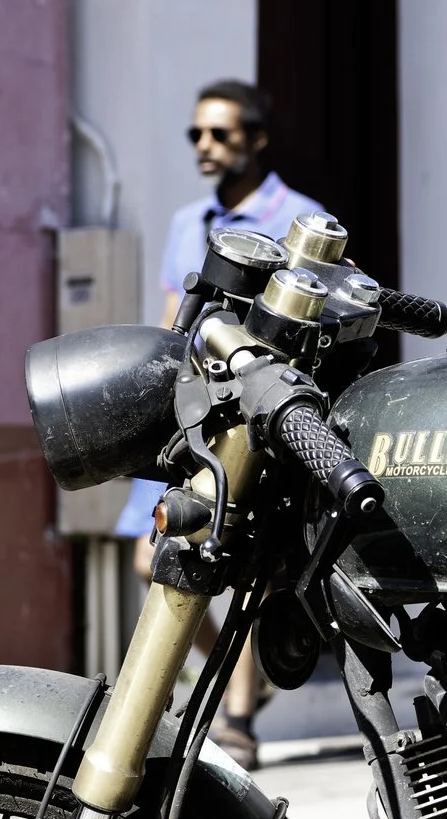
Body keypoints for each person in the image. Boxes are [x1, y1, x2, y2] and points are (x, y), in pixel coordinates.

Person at [120, 79, 326, 768]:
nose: (205, 146)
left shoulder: (302, 220)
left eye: (220, 133)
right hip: (188, 415)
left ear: (256, 139)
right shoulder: (188, 223)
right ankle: (246, 671)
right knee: (150, 555)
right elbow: (171, 323)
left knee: (241, 571)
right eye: (196, 134)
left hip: (257, 422)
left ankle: (238, 715)